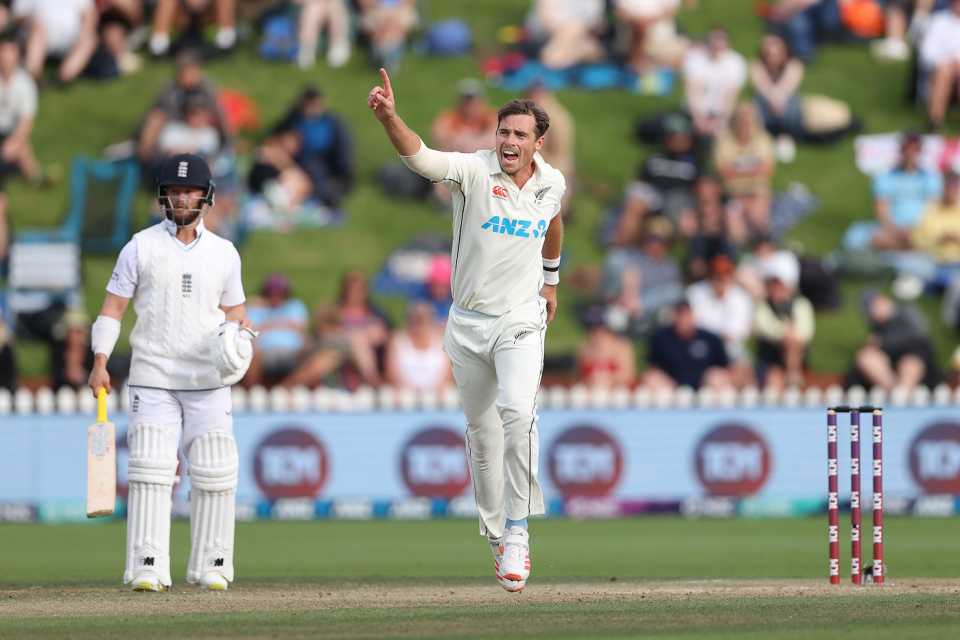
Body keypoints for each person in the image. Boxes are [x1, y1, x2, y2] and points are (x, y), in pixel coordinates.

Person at [368, 68, 566, 593]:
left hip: (520, 319)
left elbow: (553, 220)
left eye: (520, 134)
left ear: (537, 143)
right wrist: (390, 117)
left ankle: (520, 530)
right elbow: (420, 156)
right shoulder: (473, 171)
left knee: (519, 411)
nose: (509, 141)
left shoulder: (552, 182)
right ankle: (498, 534)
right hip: (468, 322)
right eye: (503, 131)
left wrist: (551, 281)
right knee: (483, 434)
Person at [86, 153, 251, 593]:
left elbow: (236, 314)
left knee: (215, 470)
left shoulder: (225, 253)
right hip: (152, 375)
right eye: (175, 190)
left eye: (190, 190)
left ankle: (212, 565)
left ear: (206, 196)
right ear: (164, 195)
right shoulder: (139, 246)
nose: (182, 197)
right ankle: (147, 565)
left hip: (208, 380)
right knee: (151, 468)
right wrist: (100, 361)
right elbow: (111, 310)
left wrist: (240, 341)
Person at [643, 299, 732, 390]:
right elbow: (652, 367)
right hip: (670, 389)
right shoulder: (660, 339)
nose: (684, 320)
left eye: (687, 315)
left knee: (716, 377)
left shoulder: (710, 338)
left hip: (705, 388)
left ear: (693, 316)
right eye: (680, 315)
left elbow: (725, 367)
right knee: (651, 378)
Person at [384, 302, 451, 392]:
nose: (419, 323)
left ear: (431, 319)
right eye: (415, 319)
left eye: (423, 319)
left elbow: (448, 375)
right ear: (408, 320)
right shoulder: (397, 341)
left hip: (437, 394)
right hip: (404, 393)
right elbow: (391, 374)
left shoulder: (441, 340)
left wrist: (437, 389)